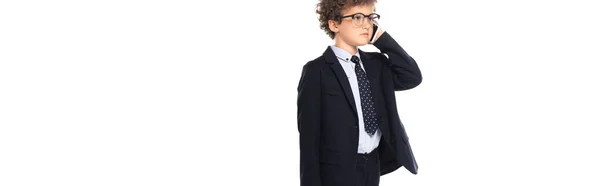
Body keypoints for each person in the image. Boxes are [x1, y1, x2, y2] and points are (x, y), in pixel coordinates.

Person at [296, 0, 423, 186]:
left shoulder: (377, 65)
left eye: (370, 17)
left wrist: (381, 38)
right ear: (334, 24)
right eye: (357, 17)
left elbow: (412, 76)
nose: (366, 24)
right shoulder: (317, 71)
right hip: (335, 170)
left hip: (372, 164)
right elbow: (309, 140)